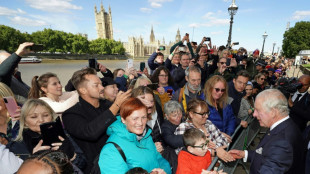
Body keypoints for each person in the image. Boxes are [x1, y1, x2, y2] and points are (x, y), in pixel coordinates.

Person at [62, 68, 131, 173]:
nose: (102, 88)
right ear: (82, 90)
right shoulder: (71, 114)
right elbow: (91, 132)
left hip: (122, 161)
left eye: (101, 84)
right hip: (95, 168)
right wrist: (116, 105)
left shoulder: (108, 105)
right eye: (96, 85)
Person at [229, 89, 305, 174]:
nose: (254, 114)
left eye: (258, 110)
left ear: (273, 112)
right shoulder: (284, 126)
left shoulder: (282, 142)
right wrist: (244, 154)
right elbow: (268, 154)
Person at [98, 97, 171, 174]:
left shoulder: (146, 136)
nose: (140, 123)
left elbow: (160, 160)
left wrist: (163, 171)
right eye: (135, 118)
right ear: (123, 119)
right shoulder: (111, 149)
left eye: (143, 117)